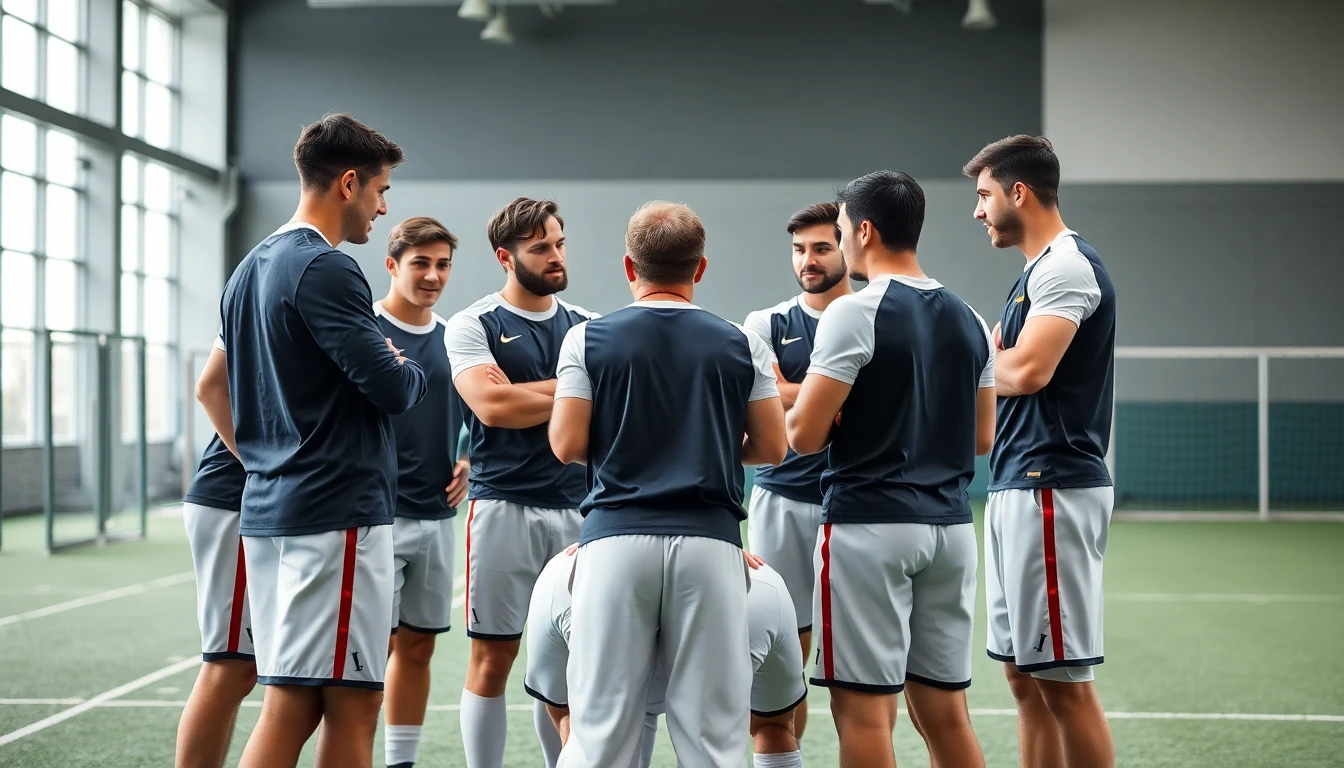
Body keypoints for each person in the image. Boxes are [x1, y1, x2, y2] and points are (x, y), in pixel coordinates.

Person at [212, 113, 427, 768]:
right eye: (381, 191)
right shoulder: (326, 268)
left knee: (306, 700)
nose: (383, 206)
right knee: (334, 704)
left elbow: (213, 386)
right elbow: (393, 389)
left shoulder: (248, 270)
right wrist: (408, 366)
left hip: (279, 512)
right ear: (350, 183)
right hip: (336, 520)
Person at [548, 201, 787, 767]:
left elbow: (565, 444)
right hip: (710, 545)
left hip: (613, 543)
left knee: (599, 728)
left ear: (630, 267)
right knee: (713, 735)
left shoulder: (586, 339)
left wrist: (628, 444)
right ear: (699, 269)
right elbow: (773, 448)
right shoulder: (742, 342)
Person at [787, 172, 994, 768]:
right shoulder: (970, 318)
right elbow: (982, 438)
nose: (841, 242)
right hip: (951, 531)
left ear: (866, 230)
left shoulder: (852, 314)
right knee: (946, 714)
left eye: (842, 230)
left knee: (864, 713)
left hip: (868, 529)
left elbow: (803, 435)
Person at [964, 135, 1117, 768]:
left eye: (983, 195)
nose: (978, 211)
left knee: (1063, 681)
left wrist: (976, 355)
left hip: (1050, 485)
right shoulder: (1035, 271)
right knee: (1025, 677)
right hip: (1016, 484)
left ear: (1017, 193)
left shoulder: (1066, 267)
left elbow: (1025, 372)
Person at [444, 197, 597, 768]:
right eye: (540, 248)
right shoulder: (472, 323)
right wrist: (573, 388)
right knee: (494, 657)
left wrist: (525, 392)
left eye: (559, 243)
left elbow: (515, 399)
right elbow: (491, 406)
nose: (555, 256)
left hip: (582, 511)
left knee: (568, 662)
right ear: (505, 257)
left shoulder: (587, 326)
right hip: (502, 506)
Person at [524, 547, 807, 768]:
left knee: (586, 733)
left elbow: (565, 714)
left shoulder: (559, 579)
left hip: (595, 575)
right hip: (741, 581)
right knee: (771, 725)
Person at [741, 201, 851, 740]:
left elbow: (785, 395)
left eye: (822, 248)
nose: (808, 260)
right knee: (786, 647)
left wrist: (796, 392)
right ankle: (785, 751)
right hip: (782, 497)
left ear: (847, 246)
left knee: (858, 659)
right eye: (799, 250)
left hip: (856, 501)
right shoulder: (766, 323)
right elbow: (759, 396)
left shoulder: (872, 315)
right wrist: (839, 390)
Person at [372, 216, 470, 768]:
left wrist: (465, 459)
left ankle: (400, 763)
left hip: (436, 516)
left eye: (442, 265)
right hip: (375, 517)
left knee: (418, 645)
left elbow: (475, 413)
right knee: (370, 652)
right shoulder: (364, 328)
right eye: (420, 263)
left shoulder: (454, 337)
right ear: (393, 265)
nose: (433, 275)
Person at [175, 337, 253, 768]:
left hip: (258, 504)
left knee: (245, 669)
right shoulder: (260, 291)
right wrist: (259, 465)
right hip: (233, 501)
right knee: (229, 666)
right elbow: (208, 387)